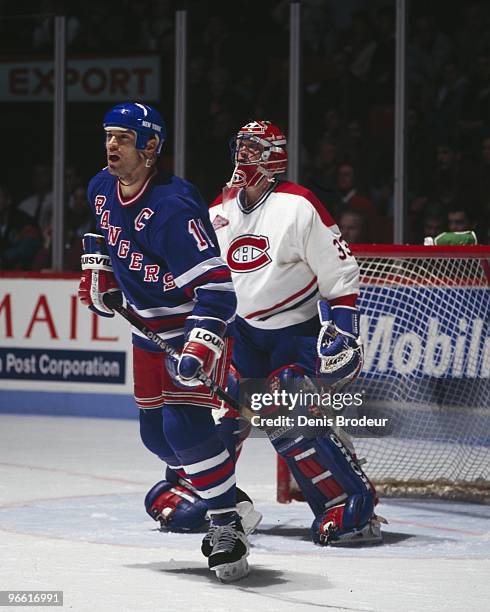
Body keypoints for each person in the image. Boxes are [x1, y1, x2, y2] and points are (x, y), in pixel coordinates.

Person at [77, 102, 253, 582]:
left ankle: (227, 526)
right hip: (146, 330)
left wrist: (199, 345)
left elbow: (217, 288)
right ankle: (225, 481)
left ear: (152, 147)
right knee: (155, 436)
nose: (112, 145)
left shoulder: (173, 207)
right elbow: (102, 232)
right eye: (109, 135)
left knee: (182, 426)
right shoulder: (100, 186)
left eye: (125, 138)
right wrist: (99, 270)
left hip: (191, 326)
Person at [209, 120, 383, 546]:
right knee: (219, 415)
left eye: (252, 148)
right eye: (240, 146)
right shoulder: (221, 207)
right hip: (243, 334)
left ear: (273, 156)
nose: (242, 155)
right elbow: (209, 275)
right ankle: (218, 502)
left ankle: (349, 502)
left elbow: (340, 275)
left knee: (290, 412)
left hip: (296, 332)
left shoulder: (299, 205)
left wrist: (347, 334)